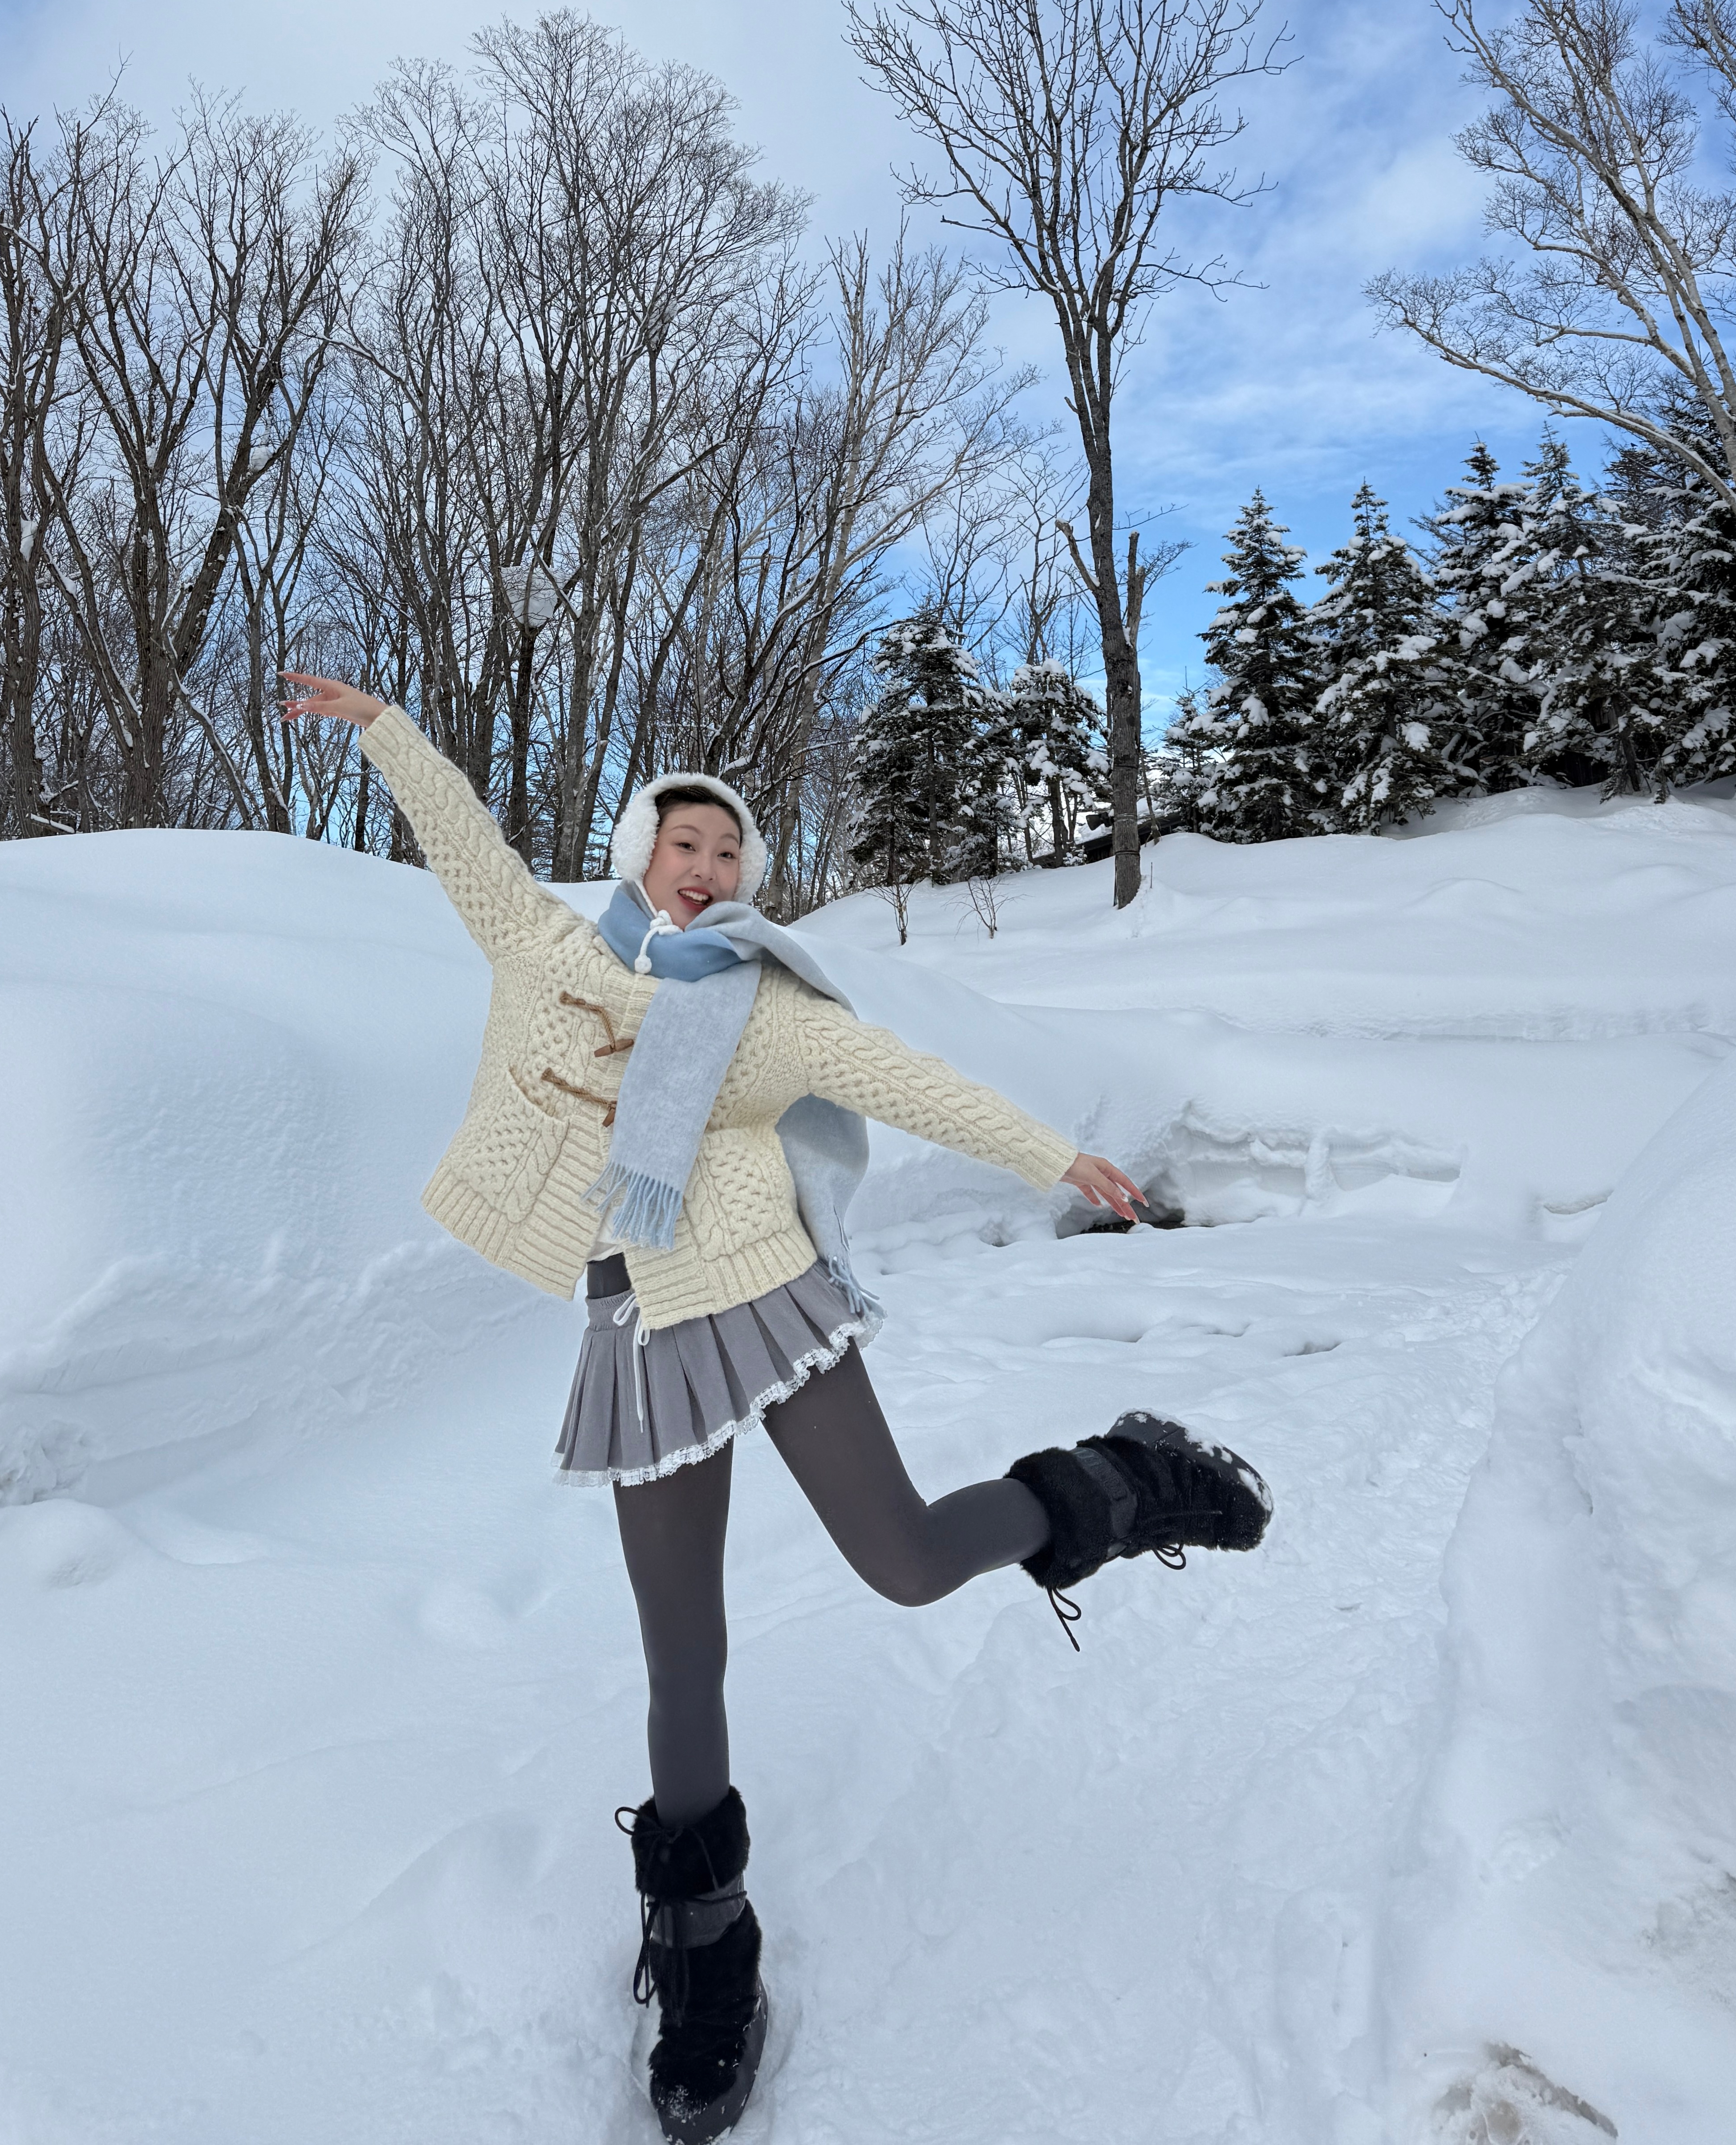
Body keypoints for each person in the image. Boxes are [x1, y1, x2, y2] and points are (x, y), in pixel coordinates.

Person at [280, 672, 1272, 2145]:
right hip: (633, 1326)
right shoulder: (549, 953)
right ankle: (705, 1950)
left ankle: (1122, 1481)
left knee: (907, 1561)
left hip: (759, 1292)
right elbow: (469, 848)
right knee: (681, 1657)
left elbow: (911, 1078)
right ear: (638, 857)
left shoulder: (762, 1007)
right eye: (683, 844)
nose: (708, 865)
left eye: (729, 851)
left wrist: (1060, 1156)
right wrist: (386, 734)